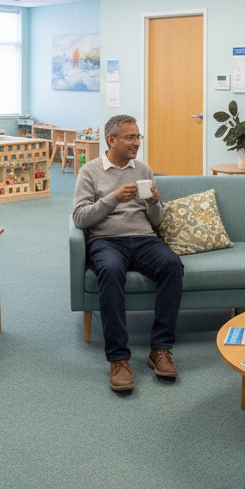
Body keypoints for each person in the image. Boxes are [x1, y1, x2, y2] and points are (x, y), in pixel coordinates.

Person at [73, 114, 183, 393]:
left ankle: (160, 349)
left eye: (138, 137)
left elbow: (156, 220)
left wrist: (156, 203)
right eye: (130, 137)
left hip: (144, 239)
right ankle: (119, 359)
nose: (137, 143)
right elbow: (80, 218)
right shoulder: (90, 171)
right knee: (109, 271)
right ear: (112, 140)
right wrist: (112, 199)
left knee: (172, 265)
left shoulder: (144, 169)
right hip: (107, 241)